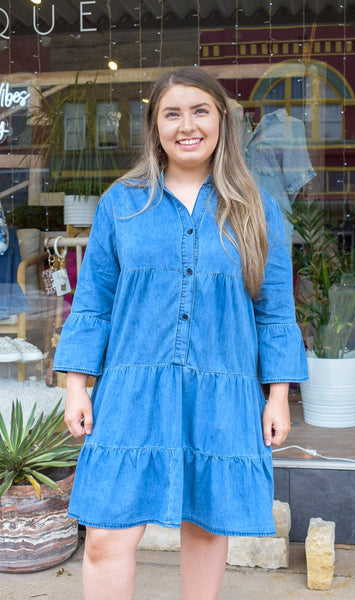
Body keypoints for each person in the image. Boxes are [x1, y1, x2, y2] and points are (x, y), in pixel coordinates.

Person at [54, 66, 308, 600]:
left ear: (221, 122)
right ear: (155, 126)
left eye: (200, 111)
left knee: (207, 525)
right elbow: (94, 302)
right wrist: (77, 385)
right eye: (172, 113)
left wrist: (278, 396)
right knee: (105, 534)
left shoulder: (256, 209)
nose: (186, 125)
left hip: (223, 388)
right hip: (130, 390)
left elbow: (276, 311)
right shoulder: (122, 204)